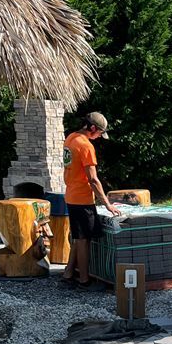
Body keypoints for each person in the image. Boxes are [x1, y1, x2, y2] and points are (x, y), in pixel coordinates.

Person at [61, 111, 121, 286]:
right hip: (82, 199)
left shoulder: (70, 138)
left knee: (79, 238)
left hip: (71, 195)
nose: (100, 136)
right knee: (84, 240)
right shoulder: (86, 146)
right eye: (100, 133)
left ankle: (68, 273)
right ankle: (84, 280)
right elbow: (93, 179)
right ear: (93, 128)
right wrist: (108, 204)